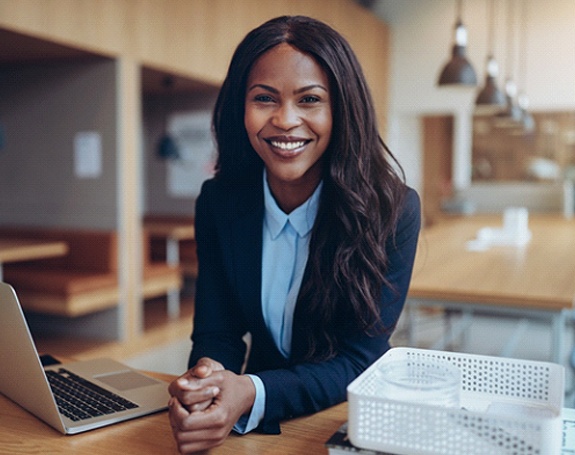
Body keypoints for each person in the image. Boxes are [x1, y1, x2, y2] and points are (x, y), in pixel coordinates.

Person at [168, 15, 421, 453]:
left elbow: (361, 358)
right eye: (265, 98)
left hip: (342, 420)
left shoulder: (392, 210)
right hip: (256, 426)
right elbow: (217, 331)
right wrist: (206, 384)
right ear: (240, 109)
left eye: (309, 100)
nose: (285, 120)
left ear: (340, 110)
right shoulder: (219, 201)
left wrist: (249, 391)